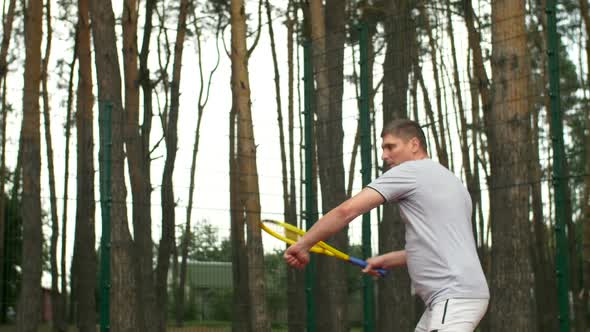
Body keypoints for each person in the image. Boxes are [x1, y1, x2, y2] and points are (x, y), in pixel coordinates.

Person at [284, 119, 489, 332]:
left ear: (414, 145)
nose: (384, 155)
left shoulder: (410, 171)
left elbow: (346, 211)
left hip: (453, 297)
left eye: (391, 147)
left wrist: (303, 244)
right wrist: (387, 260)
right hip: (455, 297)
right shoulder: (450, 181)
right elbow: (440, 246)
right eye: (383, 148)